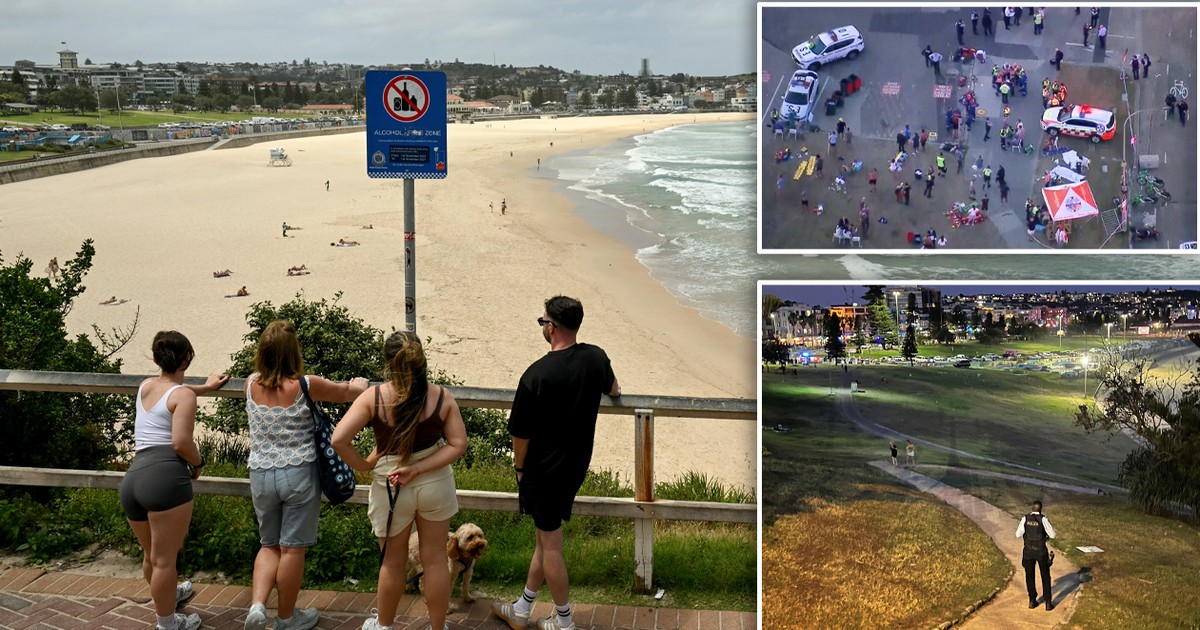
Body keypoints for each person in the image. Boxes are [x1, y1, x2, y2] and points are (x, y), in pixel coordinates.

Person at [492, 296, 620, 630]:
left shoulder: (536, 375)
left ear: (552, 327)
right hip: (576, 464)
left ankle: (564, 621)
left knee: (551, 545)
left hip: (543, 470)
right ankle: (522, 608)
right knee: (544, 535)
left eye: (543, 322)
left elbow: (519, 433)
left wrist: (520, 469)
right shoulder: (595, 357)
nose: (543, 326)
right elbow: (616, 390)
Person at [331, 331, 467, 630]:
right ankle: (437, 626)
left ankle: (385, 625)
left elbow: (339, 439)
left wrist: (365, 465)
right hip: (434, 482)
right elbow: (458, 444)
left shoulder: (374, 397)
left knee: (392, 562)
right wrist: (418, 469)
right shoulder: (441, 396)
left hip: (391, 485)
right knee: (434, 561)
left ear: (388, 364)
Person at [242, 320, 369, 630]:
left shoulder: (249, 383)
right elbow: (347, 393)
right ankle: (286, 618)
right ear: (292, 353)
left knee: (268, 545)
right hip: (297, 473)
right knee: (292, 549)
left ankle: (258, 607)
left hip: (260, 474)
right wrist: (361, 385)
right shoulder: (304, 385)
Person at [120, 331, 229, 630]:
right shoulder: (184, 396)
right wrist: (198, 463)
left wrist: (204, 387)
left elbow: (173, 389)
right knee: (166, 560)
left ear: (156, 359)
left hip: (134, 479)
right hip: (165, 477)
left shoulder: (145, 386)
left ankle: (169, 595)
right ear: (187, 358)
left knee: (152, 555)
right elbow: (181, 442)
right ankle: (167, 624)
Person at [1016, 500, 1058, 610]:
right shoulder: (1043, 519)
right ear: (1040, 509)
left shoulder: (1025, 519)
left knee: (1029, 576)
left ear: (1032, 508)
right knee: (1045, 576)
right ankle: (1048, 603)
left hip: (1028, 552)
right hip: (1041, 552)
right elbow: (1053, 535)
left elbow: (1018, 534)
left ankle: (1032, 600)